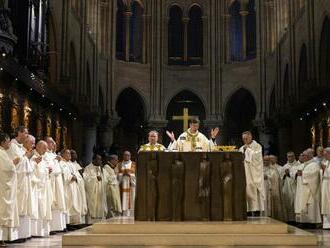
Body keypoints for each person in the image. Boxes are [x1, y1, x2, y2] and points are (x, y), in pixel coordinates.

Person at [6, 126, 33, 240]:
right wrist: (26, 157)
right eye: (25, 133)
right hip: (17, 181)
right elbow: (12, 164)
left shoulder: (20, 147)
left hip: (24, 180)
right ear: (19, 133)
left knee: (24, 207)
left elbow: (24, 162)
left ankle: (22, 234)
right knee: (18, 206)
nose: (27, 136)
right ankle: (14, 235)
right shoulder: (12, 146)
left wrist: (26, 158)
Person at [239, 131, 265, 216]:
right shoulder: (241, 148)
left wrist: (248, 151)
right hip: (245, 173)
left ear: (251, 137)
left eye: (246, 138)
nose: (245, 140)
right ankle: (248, 211)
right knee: (247, 189)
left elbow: (257, 157)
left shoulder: (257, 146)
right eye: (243, 139)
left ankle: (256, 210)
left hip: (254, 173)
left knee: (254, 189)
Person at [0, 133, 19, 244]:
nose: (9, 144)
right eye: (8, 141)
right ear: (2, 142)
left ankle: (2, 239)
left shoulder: (4, 153)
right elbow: (7, 169)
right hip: (2, 188)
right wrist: (14, 163)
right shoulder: (1, 153)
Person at [31, 141, 53, 237]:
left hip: (44, 188)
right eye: (44, 148)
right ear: (38, 147)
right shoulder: (33, 157)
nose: (46, 150)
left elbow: (44, 170)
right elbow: (34, 171)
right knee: (39, 209)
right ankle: (36, 232)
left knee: (44, 209)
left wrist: (48, 170)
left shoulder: (43, 158)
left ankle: (43, 231)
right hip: (38, 188)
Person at [44, 137, 66, 232]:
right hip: (51, 181)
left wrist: (59, 160)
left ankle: (58, 227)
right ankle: (52, 228)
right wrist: (55, 160)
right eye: (51, 142)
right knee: (53, 203)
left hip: (58, 182)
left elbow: (61, 169)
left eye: (53, 142)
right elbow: (49, 168)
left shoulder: (54, 154)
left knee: (59, 203)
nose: (53, 144)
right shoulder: (45, 155)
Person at [295, 149, 321, 227]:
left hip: (309, 189)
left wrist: (303, 173)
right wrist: (297, 173)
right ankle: (303, 222)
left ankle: (311, 223)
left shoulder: (314, 164)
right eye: (302, 155)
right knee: (302, 204)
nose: (302, 157)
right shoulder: (303, 165)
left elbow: (314, 175)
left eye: (304, 155)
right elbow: (296, 173)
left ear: (309, 156)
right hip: (302, 189)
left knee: (310, 205)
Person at [60, 149, 86, 225]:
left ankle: (74, 222)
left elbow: (78, 175)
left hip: (74, 186)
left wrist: (76, 177)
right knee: (69, 204)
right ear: (63, 155)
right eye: (67, 153)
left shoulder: (72, 164)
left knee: (75, 203)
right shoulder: (61, 163)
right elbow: (63, 174)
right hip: (67, 186)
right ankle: (68, 223)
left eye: (69, 154)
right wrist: (70, 177)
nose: (69, 155)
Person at [83, 153, 108, 223]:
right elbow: (85, 179)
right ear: (93, 160)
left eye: (100, 160)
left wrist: (102, 179)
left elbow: (106, 180)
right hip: (92, 192)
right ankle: (91, 221)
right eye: (98, 159)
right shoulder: (88, 168)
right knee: (92, 205)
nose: (100, 161)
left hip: (100, 190)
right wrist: (95, 178)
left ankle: (100, 218)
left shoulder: (102, 169)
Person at [263, 155, 285, 221]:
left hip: (270, 189)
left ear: (269, 161)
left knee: (270, 203)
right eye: (264, 160)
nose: (265, 162)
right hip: (263, 189)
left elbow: (275, 178)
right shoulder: (260, 168)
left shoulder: (273, 169)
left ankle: (271, 218)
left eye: (266, 160)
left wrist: (268, 177)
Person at [282, 151, 300, 223]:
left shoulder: (298, 165)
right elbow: (280, 177)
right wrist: (284, 174)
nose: (290, 158)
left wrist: (289, 174)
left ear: (294, 156)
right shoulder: (285, 166)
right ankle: (289, 219)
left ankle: (296, 219)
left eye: (291, 156)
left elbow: (297, 175)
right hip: (287, 186)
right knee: (288, 202)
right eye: (289, 156)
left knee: (295, 202)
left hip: (295, 186)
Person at [118, 151, 136, 217]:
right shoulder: (119, 164)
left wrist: (129, 175)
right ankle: (122, 214)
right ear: (123, 156)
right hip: (121, 186)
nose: (126, 156)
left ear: (130, 156)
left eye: (128, 155)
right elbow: (116, 175)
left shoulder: (134, 164)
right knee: (122, 200)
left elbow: (136, 175)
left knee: (131, 200)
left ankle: (131, 215)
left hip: (131, 186)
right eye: (125, 155)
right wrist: (122, 174)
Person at [321, 148, 330, 229]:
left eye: (325, 154)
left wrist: (325, 169)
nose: (324, 156)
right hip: (325, 185)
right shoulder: (326, 162)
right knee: (325, 203)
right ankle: (327, 224)